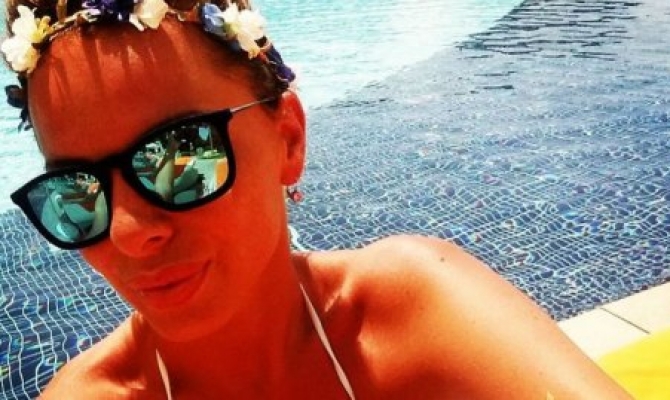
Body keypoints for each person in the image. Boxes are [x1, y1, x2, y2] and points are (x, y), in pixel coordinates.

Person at [2, 0, 633, 398]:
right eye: (75, 192)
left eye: (178, 157)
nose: (128, 232)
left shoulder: (410, 312)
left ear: (288, 138)